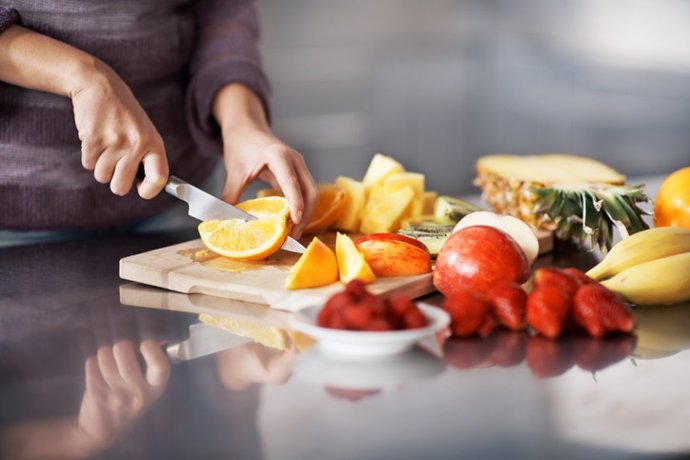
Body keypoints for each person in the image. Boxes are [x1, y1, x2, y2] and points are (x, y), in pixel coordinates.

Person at [0, 1, 317, 240]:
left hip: (170, 210)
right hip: (15, 232)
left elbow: (220, 9)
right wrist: (82, 75)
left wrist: (242, 123)